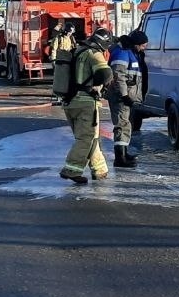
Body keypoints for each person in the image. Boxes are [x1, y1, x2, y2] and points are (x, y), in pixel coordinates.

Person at [59, 27, 115, 184]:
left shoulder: (77, 51)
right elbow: (106, 74)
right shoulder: (94, 54)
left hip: (70, 102)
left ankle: (100, 170)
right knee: (86, 138)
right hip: (86, 102)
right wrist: (99, 85)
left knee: (91, 137)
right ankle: (71, 169)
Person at [107, 29, 148, 168]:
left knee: (126, 124)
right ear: (136, 44)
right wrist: (124, 96)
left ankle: (124, 153)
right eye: (143, 45)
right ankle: (120, 158)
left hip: (126, 97)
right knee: (122, 125)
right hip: (120, 97)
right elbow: (119, 76)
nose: (144, 48)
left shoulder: (132, 53)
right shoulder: (122, 53)